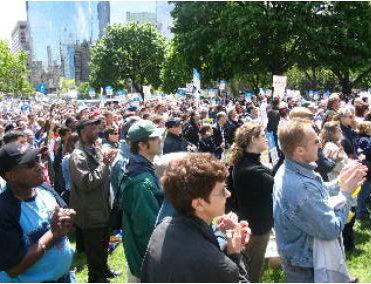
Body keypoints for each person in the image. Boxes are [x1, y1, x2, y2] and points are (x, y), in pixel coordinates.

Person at [273, 119, 367, 282]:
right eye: (316, 141)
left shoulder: (292, 168)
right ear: (300, 150)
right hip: (305, 268)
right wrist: (345, 193)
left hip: (303, 259)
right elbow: (331, 229)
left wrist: (340, 181)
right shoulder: (300, 187)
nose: (320, 145)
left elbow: (319, 189)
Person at [141, 153, 249, 283]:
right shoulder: (218, 265)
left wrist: (223, 238)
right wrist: (235, 254)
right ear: (198, 204)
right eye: (222, 190)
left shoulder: (162, 228)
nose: (228, 194)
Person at [0, 142, 76, 282]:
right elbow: (13, 269)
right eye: (29, 164)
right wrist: (53, 233)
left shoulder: (44, 188)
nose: (40, 166)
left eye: (38, 159)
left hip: (64, 277)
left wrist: (67, 218)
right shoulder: (4, 210)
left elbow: (64, 219)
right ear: (11, 175)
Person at [69, 118, 119, 283]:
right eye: (93, 128)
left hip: (102, 207)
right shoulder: (78, 155)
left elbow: (103, 174)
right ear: (83, 131)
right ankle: (96, 278)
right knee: (94, 248)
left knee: (103, 243)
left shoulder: (94, 149)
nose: (97, 131)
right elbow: (86, 182)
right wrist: (104, 165)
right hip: (90, 212)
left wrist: (107, 162)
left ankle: (104, 270)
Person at [118, 120, 165, 282]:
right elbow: (148, 232)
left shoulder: (140, 168)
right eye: (155, 138)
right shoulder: (141, 183)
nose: (160, 140)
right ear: (142, 145)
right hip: (147, 266)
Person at [229, 121, 274, 282]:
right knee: (252, 274)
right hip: (256, 230)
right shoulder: (250, 169)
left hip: (253, 224)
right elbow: (273, 182)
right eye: (263, 136)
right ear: (253, 139)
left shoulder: (246, 162)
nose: (266, 139)